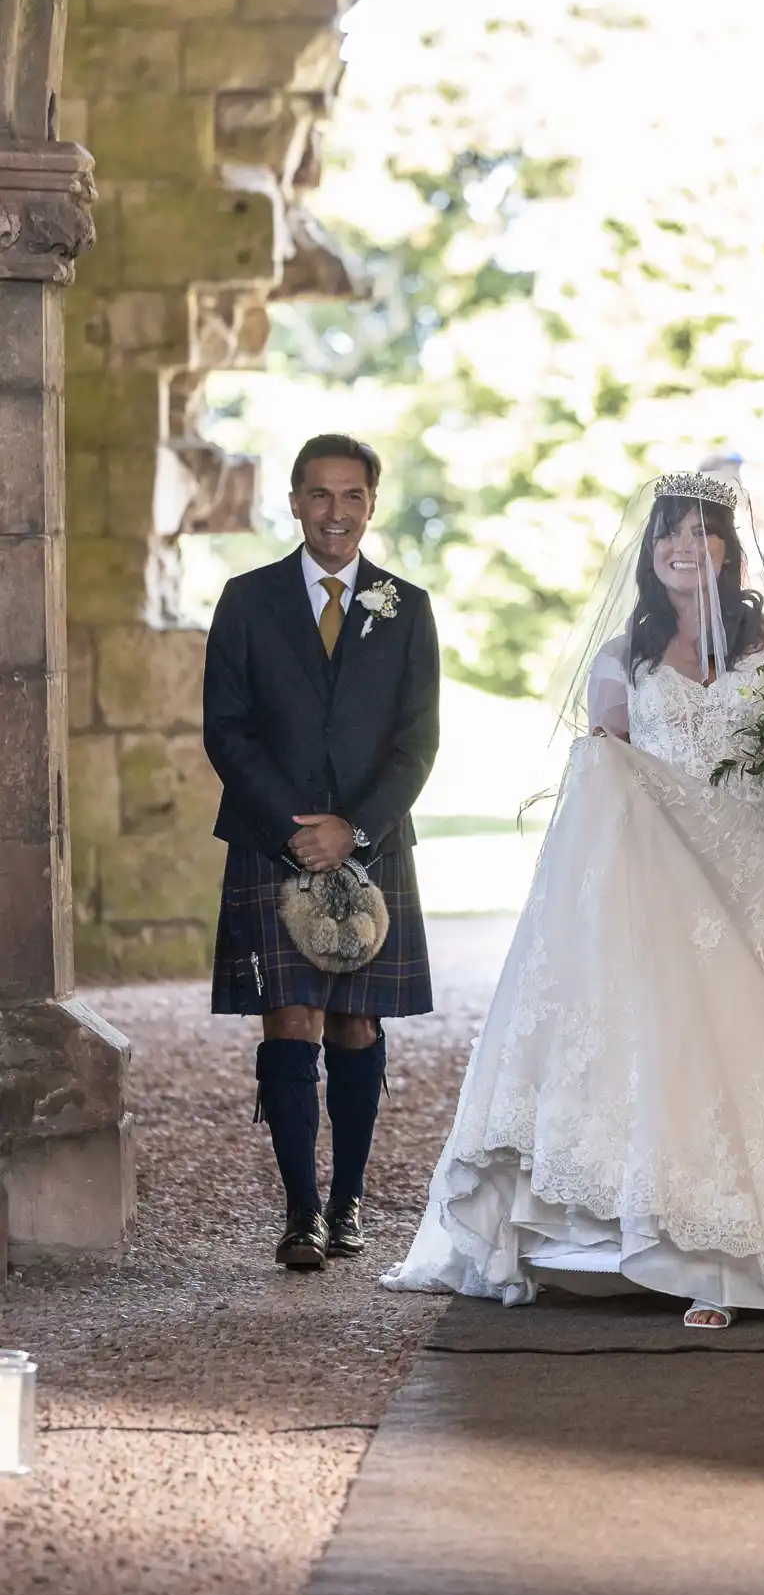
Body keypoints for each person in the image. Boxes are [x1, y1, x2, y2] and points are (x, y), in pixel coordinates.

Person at [384, 470, 764, 1327]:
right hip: (660, 880)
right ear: (650, 553)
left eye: (702, 533)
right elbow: (603, 773)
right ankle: (667, 1245)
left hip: (760, 868)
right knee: (675, 1049)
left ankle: (746, 1256)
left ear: (729, 548)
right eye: (669, 536)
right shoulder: (626, 655)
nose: (685, 548)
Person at [204, 434, 440, 1272]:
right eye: (318, 495)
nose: (334, 513)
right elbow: (225, 731)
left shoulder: (405, 606)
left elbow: (417, 743)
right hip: (274, 843)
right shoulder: (246, 599)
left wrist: (354, 829)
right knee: (291, 1019)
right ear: (294, 502)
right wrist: (294, 828)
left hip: (372, 847)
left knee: (354, 1022)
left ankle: (348, 1205)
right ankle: (300, 1213)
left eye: (351, 497)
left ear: (371, 504)